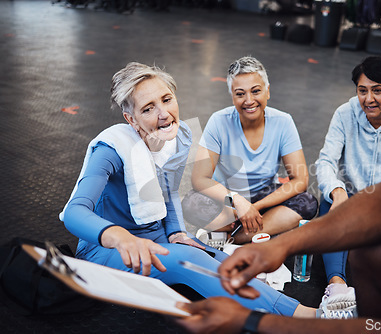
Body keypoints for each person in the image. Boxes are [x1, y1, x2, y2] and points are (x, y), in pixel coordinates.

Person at [175, 0, 381, 332]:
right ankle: (328, 277)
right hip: (242, 204)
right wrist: (279, 245)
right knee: (366, 256)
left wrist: (253, 321)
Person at [60, 62, 316, 317]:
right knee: (190, 261)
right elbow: (74, 213)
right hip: (109, 249)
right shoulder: (111, 149)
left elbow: (168, 191)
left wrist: (176, 232)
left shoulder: (177, 138)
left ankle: (276, 305)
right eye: (148, 109)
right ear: (131, 119)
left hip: (157, 235)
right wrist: (119, 236)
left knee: (225, 261)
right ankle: (306, 317)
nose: (164, 114)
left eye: (167, 100)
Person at [314, 56, 381, 318]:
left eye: (377, 90)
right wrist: (338, 191)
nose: (369, 99)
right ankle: (337, 288)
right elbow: (326, 160)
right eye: (362, 90)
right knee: (328, 202)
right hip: (352, 200)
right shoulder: (345, 113)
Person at [182, 56, 318, 245]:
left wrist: (254, 207)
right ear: (232, 95)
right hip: (227, 202)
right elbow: (199, 178)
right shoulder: (218, 121)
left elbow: (300, 180)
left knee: (308, 203)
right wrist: (237, 202)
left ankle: (235, 237)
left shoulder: (283, 122)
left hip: (264, 199)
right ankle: (255, 231)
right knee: (191, 204)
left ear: (267, 92)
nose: (249, 100)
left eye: (256, 91)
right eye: (240, 94)